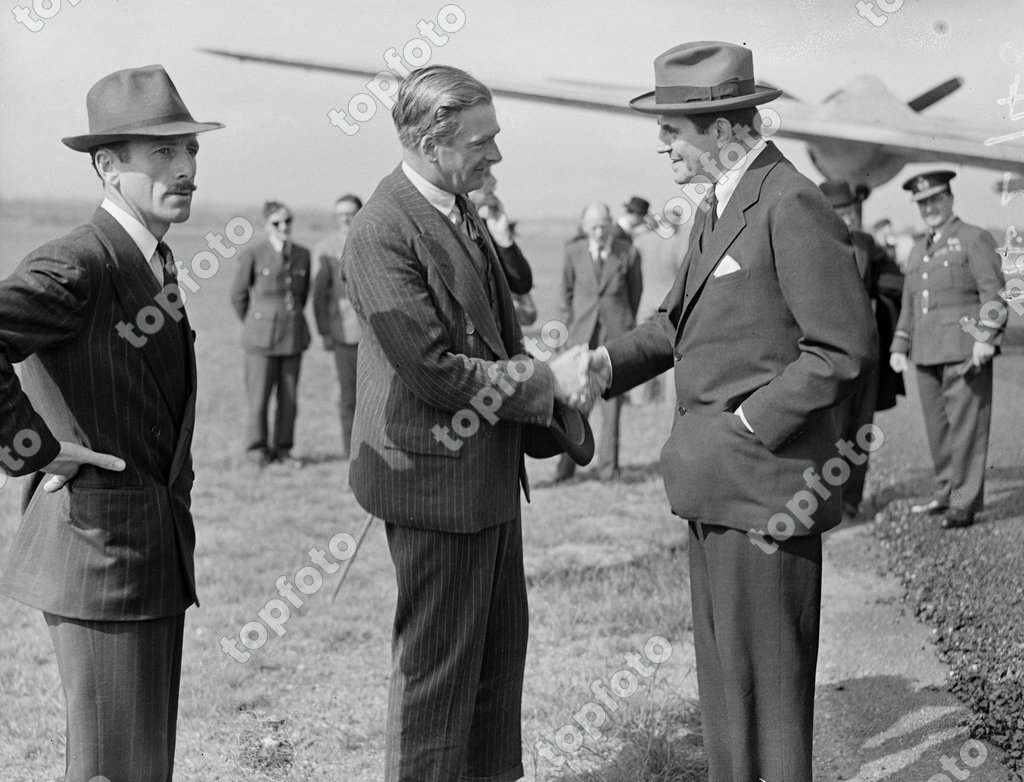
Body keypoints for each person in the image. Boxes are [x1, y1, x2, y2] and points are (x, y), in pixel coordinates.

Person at [578, 42, 875, 780]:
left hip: (764, 489)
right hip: (717, 488)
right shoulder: (720, 206)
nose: (662, 143)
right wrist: (600, 365)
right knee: (727, 702)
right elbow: (676, 326)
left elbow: (840, 347)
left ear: (721, 129)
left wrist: (751, 426)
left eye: (673, 129)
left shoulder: (789, 200)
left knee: (767, 709)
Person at [341, 64, 581, 781]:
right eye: (484, 142)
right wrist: (542, 382)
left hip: (486, 482)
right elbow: (436, 370)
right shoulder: (381, 231)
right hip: (435, 490)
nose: (496, 157)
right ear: (428, 140)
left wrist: (542, 365)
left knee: (496, 666)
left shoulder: (457, 204)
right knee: (437, 684)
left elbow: (484, 337)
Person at [0, 64, 221, 780]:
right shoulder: (80, 262)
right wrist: (35, 448)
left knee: (139, 767)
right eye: (162, 152)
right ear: (106, 165)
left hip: (145, 559)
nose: (185, 167)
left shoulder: (150, 259)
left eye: (189, 149)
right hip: (99, 559)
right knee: (113, 771)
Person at [889, 170, 1006, 529]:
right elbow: (909, 302)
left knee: (967, 429)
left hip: (963, 352)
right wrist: (900, 344)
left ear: (950, 199)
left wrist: (986, 338)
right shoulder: (919, 250)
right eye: (923, 203)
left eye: (936, 200)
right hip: (925, 354)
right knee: (938, 431)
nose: (930, 208)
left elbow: (995, 294)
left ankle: (965, 500)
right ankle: (946, 490)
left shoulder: (973, 238)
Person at [820, 180, 905, 518]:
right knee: (829, 429)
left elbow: (895, 281)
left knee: (859, 431)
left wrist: (872, 301)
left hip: (865, 355)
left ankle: (851, 502)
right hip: (824, 353)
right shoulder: (804, 242)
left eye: (849, 212)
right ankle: (824, 505)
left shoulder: (867, 244)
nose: (845, 219)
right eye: (837, 212)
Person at [556, 203, 642, 481]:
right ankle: (565, 470)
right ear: (583, 227)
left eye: (604, 225)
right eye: (593, 226)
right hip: (580, 343)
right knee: (574, 409)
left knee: (612, 411)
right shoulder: (573, 253)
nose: (599, 231)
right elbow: (564, 297)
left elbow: (634, 295)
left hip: (614, 344)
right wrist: (563, 337)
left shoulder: (628, 253)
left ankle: (609, 472)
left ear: (611, 225)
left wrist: (625, 330)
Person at [230, 200, 312, 468]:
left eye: (288, 221)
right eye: (277, 222)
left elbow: (302, 294)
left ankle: (283, 450)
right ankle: (256, 450)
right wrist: (256, 322)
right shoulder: (254, 253)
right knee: (259, 397)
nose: (284, 226)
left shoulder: (302, 254)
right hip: (260, 338)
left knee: (289, 398)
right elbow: (238, 295)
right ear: (266, 226)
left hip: (293, 335)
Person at [312, 194, 363, 459]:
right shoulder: (326, 248)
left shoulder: (374, 241)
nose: (345, 219)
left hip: (378, 335)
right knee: (347, 396)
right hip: (344, 332)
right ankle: (352, 451)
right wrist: (324, 331)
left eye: (350, 213)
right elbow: (319, 296)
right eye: (340, 214)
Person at [468, 171, 536, 325]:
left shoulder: (490, 228)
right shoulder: (445, 229)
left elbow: (522, 284)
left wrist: (503, 239)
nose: (494, 181)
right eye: (484, 173)